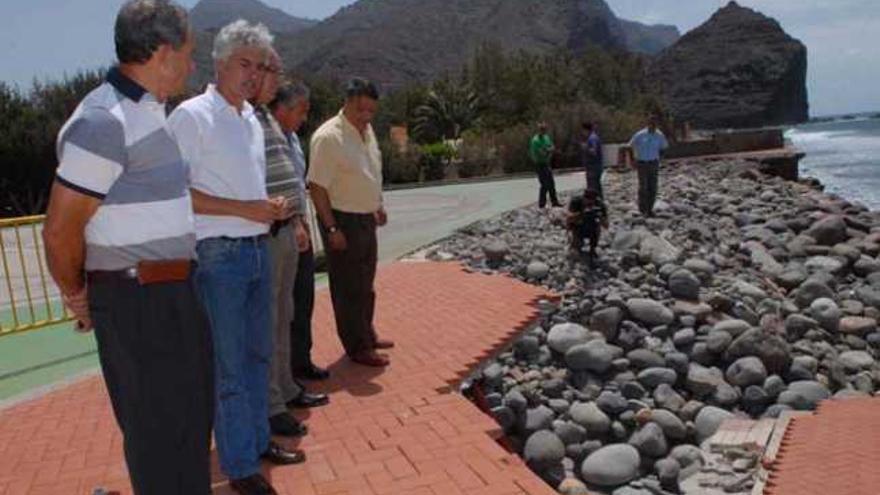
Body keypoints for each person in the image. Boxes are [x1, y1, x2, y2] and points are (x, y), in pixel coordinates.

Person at [42, 1, 213, 493]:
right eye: (188, 53)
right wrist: (78, 293)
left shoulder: (150, 113)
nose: (191, 64)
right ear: (162, 53)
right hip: (139, 302)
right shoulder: (103, 122)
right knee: (160, 439)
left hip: (175, 294)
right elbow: (59, 228)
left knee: (187, 431)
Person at [168, 20, 303, 495]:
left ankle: (258, 442)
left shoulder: (249, 118)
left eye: (260, 66)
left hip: (257, 250)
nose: (253, 74)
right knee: (229, 368)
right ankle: (240, 466)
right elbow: (175, 192)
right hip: (219, 256)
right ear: (219, 63)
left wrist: (266, 210)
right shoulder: (191, 116)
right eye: (244, 63)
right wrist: (246, 209)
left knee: (257, 355)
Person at [252, 52, 329, 440]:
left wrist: (297, 221)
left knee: (285, 315)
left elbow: (289, 184)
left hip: (285, 230)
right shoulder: (253, 120)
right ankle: (271, 404)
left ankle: (285, 388)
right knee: (268, 321)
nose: (303, 116)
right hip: (263, 234)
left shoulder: (279, 131)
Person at [307, 77, 394, 368]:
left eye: (371, 111)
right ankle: (357, 347)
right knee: (348, 287)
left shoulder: (367, 133)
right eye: (361, 111)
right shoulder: (328, 137)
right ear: (347, 102)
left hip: (366, 218)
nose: (366, 117)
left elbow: (370, 170)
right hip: (343, 219)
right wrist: (332, 228)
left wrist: (377, 205)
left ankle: (366, 333)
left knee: (365, 283)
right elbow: (317, 188)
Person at [268, 80, 331, 381]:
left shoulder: (291, 140)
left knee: (303, 300)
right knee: (284, 308)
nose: (304, 118)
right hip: (280, 229)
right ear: (281, 109)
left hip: (299, 227)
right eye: (301, 111)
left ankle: (301, 360)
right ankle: (285, 374)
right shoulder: (265, 137)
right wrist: (293, 222)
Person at [627, 115, 669, 217]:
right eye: (651, 123)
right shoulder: (640, 135)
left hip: (653, 163)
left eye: (655, 124)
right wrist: (632, 160)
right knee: (643, 186)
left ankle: (650, 209)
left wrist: (660, 157)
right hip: (642, 163)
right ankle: (642, 209)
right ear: (648, 124)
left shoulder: (659, 135)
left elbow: (664, 147)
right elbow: (629, 146)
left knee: (653, 186)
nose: (653, 126)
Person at [566, 189, 608, 266]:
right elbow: (568, 219)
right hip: (578, 226)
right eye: (587, 201)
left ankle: (593, 248)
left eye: (591, 202)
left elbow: (606, 226)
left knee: (597, 225)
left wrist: (600, 217)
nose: (589, 204)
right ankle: (575, 243)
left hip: (592, 228)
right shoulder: (576, 201)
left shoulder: (599, 205)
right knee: (576, 249)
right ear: (583, 198)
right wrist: (581, 214)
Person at [529, 122, 562, 208]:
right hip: (540, 164)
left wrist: (549, 149)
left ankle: (554, 202)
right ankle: (542, 204)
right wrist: (549, 150)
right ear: (539, 130)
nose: (543, 131)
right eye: (542, 129)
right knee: (544, 184)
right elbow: (542, 153)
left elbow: (552, 147)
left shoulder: (546, 138)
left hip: (547, 163)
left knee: (551, 183)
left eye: (544, 129)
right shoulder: (535, 141)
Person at [581, 122, 604, 198]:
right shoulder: (595, 137)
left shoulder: (592, 138)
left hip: (593, 167)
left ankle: (595, 202)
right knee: (597, 185)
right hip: (596, 166)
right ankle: (600, 200)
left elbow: (593, 151)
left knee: (592, 186)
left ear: (585, 130)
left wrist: (585, 148)